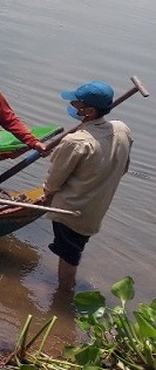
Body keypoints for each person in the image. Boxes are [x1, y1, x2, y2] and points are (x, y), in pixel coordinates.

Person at [41, 81, 131, 292]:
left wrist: (46, 195)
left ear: (88, 111)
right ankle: (65, 289)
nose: (72, 106)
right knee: (76, 247)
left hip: (71, 209)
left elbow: (54, 180)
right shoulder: (122, 130)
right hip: (96, 207)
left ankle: (64, 293)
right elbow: (124, 168)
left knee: (69, 254)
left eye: (76, 103)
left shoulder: (76, 141)